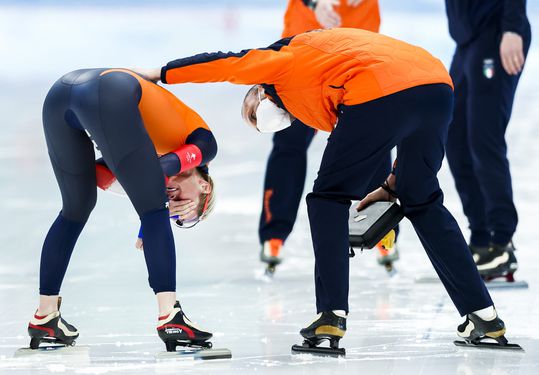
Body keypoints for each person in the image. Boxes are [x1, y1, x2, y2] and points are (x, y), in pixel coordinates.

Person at [136, 27, 513, 350]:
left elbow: (226, 63)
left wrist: (160, 73)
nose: (254, 117)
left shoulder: (282, 61)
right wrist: (395, 181)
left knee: (325, 199)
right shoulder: (319, 89)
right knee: (423, 199)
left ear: (260, 92)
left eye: (251, 110)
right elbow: (387, 122)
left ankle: (330, 317)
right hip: (435, 85)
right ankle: (485, 317)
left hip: (385, 89)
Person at [27, 68, 217, 352]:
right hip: (109, 90)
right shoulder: (205, 145)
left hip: (61, 95)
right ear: (205, 188)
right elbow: (162, 171)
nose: (176, 202)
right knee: (153, 208)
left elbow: (94, 173)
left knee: (76, 207)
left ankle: (45, 315)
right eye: (187, 208)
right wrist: (160, 213)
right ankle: (170, 316)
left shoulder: (145, 148)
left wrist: (153, 203)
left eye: (179, 215)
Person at [259, 0, 398, 275]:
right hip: (305, 40)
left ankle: (383, 228)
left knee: (374, 137)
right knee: (290, 141)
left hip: (360, 41)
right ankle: (274, 235)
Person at [444, 0, 531, 282]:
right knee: (454, 138)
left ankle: (501, 241)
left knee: (484, 137)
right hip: (468, 38)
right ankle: (481, 240)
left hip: (497, 33)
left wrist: (513, 28)